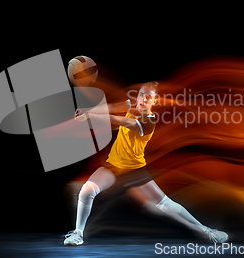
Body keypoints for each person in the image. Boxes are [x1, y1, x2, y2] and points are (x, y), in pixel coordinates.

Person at [64, 81, 228, 246]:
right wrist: (88, 111)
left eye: (148, 97)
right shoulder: (131, 106)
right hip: (113, 167)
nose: (143, 99)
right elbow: (112, 108)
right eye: (141, 94)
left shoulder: (148, 122)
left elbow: (120, 121)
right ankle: (78, 234)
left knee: (165, 204)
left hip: (135, 170)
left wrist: (91, 116)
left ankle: (207, 231)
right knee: (86, 191)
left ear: (154, 101)